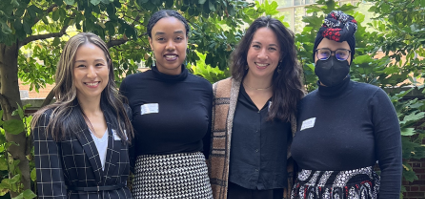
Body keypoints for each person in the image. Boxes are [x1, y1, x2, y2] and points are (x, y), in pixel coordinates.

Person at [290, 11, 402, 199]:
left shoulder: (374, 99)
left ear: (350, 57)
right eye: (324, 53)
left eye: (341, 53)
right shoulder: (302, 105)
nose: (332, 60)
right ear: (315, 56)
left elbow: (391, 164)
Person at [208, 16, 305, 199]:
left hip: (277, 192)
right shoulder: (219, 93)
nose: (262, 55)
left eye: (272, 48)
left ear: (282, 55)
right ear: (246, 49)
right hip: (230, 192)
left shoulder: (295, 98)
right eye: (257, 46)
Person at [119, 10, 213, 198]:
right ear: (150, 43)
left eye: (178, 38)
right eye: (161, 39)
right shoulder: (132, 85)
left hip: (197, 185)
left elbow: (209, 143)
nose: (170, 46)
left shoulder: (203, 87)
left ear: (186, 40)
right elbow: (125, 141)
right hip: (149, 185)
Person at [32, 32, 134, 199]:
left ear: (108, 66)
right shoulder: (50, 120)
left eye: (98, 64)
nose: (92, 74)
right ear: (69, 70)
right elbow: (51, 192)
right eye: (81, 66)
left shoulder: (122, 113)